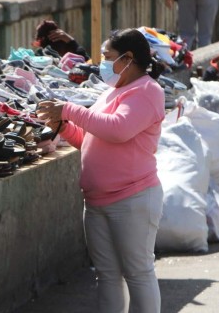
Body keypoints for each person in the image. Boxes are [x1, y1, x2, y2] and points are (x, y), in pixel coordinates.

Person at [37, 29, 166, 312]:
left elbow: (119, 130)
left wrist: (69, 110)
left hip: (132, 198)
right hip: (97, 201)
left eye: (107, 57)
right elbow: (91, 139)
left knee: (138, 272)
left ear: (128, 58)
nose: (102, 64)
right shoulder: (114, 91)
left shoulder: (147, 91)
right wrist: (64, 128)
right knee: (107, 275)